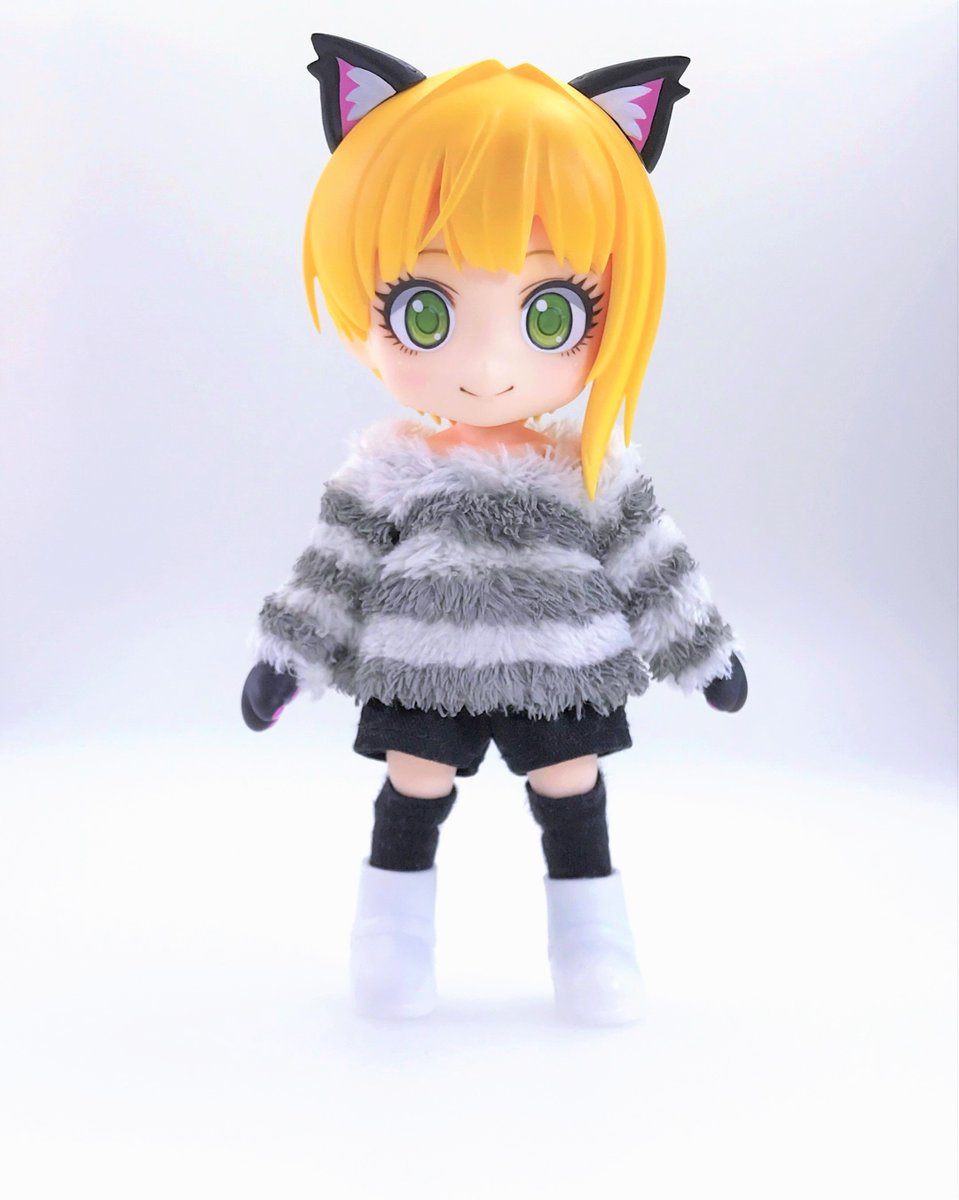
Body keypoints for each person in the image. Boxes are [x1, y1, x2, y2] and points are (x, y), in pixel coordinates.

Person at [241, 34, 748, 1024]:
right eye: (424, 312)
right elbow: (329, 571)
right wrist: (285, 659)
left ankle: (592, 943)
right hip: (420, 668)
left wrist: (703, 654)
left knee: (570, 785)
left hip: (560, 670)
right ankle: (390, 937)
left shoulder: (588, 472)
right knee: (413, 781)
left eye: (548, 315)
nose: (484, 365)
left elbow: (654, 564)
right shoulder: (389, 467)